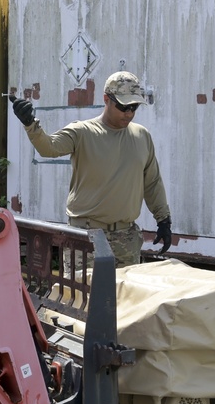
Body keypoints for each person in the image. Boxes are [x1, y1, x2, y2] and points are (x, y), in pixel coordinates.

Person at [11, 71, 171, 267]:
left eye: (134, 107)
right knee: (81, 296)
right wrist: (30, 124)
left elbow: (152, 182)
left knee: (126, 297)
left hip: (126, 239)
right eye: (123, 106)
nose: (129, 113)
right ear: (106, 99)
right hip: (86, 237)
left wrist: (163, 220)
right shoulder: (82, 132)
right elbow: (49, 148)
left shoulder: (141, 136)